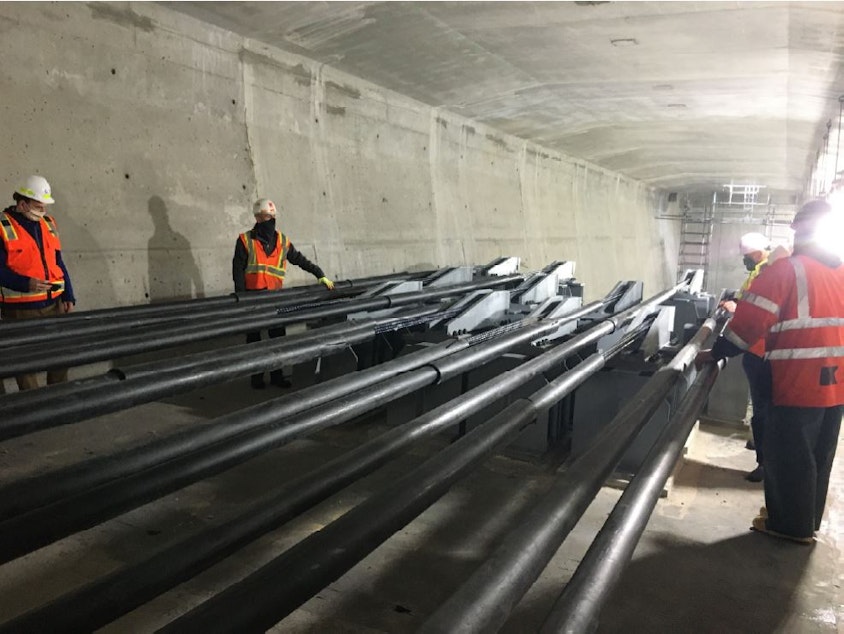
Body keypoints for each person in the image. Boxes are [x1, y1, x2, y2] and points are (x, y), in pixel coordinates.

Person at [696, 199, 844, 544]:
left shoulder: (785, 271)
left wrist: (717, 353)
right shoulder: (839, 271)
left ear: (797, 231)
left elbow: (746, 326)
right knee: (819, 454)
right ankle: (806, 519)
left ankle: (789, 527)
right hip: (836, 381)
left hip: (797, 380)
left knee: (789, 453)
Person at [232, 198, 334, 389]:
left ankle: (277, 375)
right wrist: (241, 298)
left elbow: (300, 260)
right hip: (252, 298)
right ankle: (257, 377)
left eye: (270, 217)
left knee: (277, 339)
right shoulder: (245, 241)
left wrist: (320, 275)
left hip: (275, 299)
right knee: (254, 340)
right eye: (264, 217)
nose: (267, 220)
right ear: (257, 218)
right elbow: (237, 271)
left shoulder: (282, 242)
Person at [720, 232, 788, 482]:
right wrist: (736, 300)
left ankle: (764, 463)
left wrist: (720, 350)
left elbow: (755, 315)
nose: (745, 261)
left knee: (764, 412)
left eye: (746, 256)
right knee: (764, 409)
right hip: (765, 353)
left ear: (757, 253)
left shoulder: (767, 272)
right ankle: (762, 451)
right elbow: (749, 297)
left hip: (762, 352)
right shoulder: (764, 269)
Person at [0, 175, 76, 390]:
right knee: (25, 364)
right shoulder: (2, 226)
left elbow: (57, 261)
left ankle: (57, 401)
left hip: (53, 304)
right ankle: (33, 409)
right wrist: (26, 284)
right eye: (37, 207)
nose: (42, 212)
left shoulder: (48, 223)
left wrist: (68, 293)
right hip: (20, 310)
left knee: (60, 357)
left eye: (44, 207)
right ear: (22, 203)